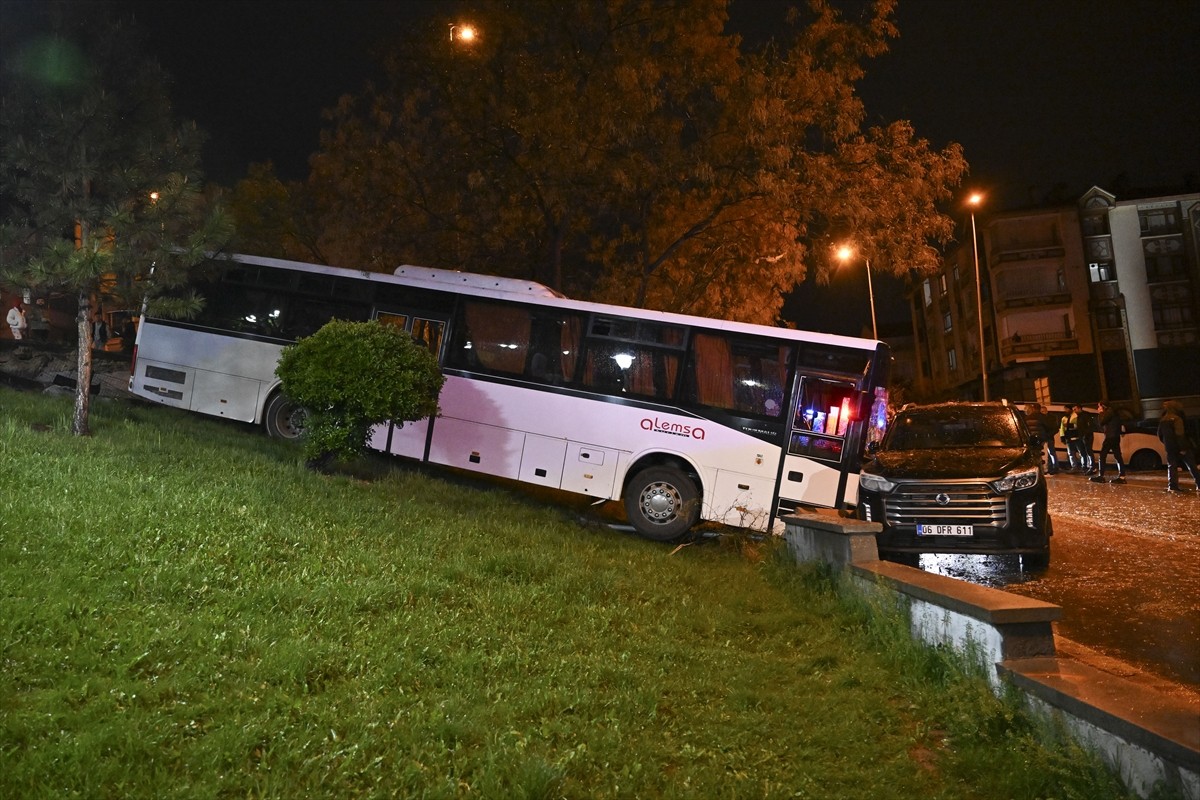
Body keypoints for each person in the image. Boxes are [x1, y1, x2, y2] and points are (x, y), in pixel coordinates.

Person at [1157, 400, 1200, 493]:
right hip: (1181, 447)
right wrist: (1183, 447)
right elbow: (1180, 434)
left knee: (1172, 466)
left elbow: (1159, 435)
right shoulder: (1177, 419)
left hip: (1169, 447)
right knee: (1191, 465)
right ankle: (1199, 484)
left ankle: (1172, 486)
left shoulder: (1163, 420)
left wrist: (1167, 443)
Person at [1091, 401, 1126, 483]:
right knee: (1118, 456)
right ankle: (1122, 477)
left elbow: (1101, 422)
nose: (1098, 408)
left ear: (1103, 406)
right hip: (1115, 436)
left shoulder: (1108, 413)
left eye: (1099, 407)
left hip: (1110, 437)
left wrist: (1100, 413)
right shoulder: (1114, 412)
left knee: (1102, 455)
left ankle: (1101, 476)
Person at [1024, 403, 1057, 474]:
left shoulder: (1027, 417)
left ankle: (1035, 469)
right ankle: (1044, 469)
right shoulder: (1042, 417)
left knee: (1034, 455)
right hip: (1042, 438)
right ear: (1039, 408)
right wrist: (1048, 435)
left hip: (1032, 440)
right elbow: (1049, 427)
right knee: (1044, 455)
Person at [1059, 405, 1083, 471]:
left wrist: (1070, 425)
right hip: (1068, 438)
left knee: (1081, 452)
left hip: (1076, 437)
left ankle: (1084, 466)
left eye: (1066, 409)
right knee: (1071, 453)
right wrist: (1062, 437)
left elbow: (1079, 425)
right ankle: (1074, 467)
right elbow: (1062, 429)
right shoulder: (1064, 418)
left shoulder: (1076, 416)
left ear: (1070, 409)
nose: (1065, 410)